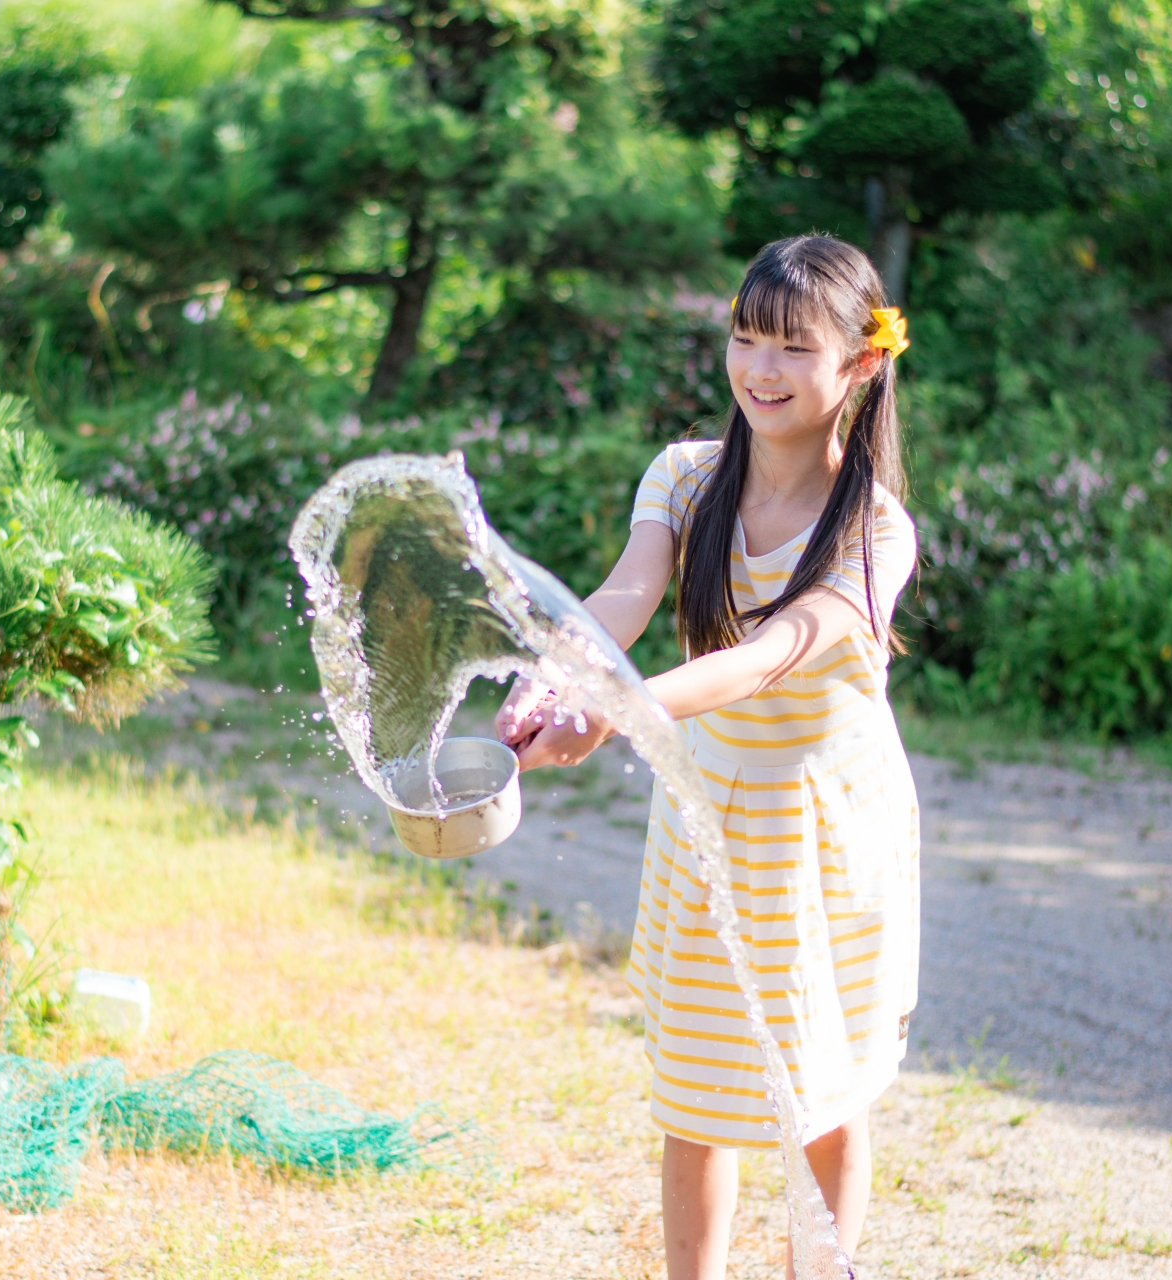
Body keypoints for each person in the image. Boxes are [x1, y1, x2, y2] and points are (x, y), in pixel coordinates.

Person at [496, 234, 920, 1280]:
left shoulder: (874, 528)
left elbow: (767, 659)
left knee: (821, 1090)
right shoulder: (688, 475)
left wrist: (619, 710)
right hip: (712, 808)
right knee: (699, 1088)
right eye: (744, 339)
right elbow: (627, 594)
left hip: (824, 827)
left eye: (791, 348)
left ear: (860, 366)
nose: (759, 370)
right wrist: (563, 669)